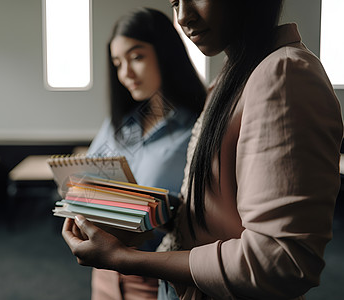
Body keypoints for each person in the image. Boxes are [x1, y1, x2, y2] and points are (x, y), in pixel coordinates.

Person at [62, 1, 344, 299]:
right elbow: (218, 214)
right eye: (175, 2)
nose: (183, 16)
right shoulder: (230, 80)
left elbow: (282, 262)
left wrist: (124, 259)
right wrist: (157, 210)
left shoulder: (283, 74)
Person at [84, 7, 206, 300]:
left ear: (165, 54)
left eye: (136, 57)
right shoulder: (120, 124)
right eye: (117, 63)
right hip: (103, 276)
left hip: (156, 279)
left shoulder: (197, 127)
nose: (125, 73)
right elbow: (84, 180)